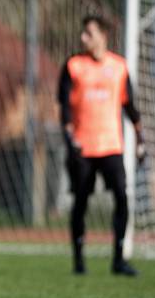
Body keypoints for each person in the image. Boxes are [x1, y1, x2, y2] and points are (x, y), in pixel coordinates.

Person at [57, 15, 145, 277]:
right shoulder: (73, 66)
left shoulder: (118, 67)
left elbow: (129, 106)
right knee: (81, 202)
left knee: (121, 195)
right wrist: (69, 137)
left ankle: (118, 259)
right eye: (83, 34)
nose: (84, 38)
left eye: (89, 33)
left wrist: (141, 139)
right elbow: (64, 108)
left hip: (111, 145)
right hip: (82, 147)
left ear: (103, 36)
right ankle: (79, 262)